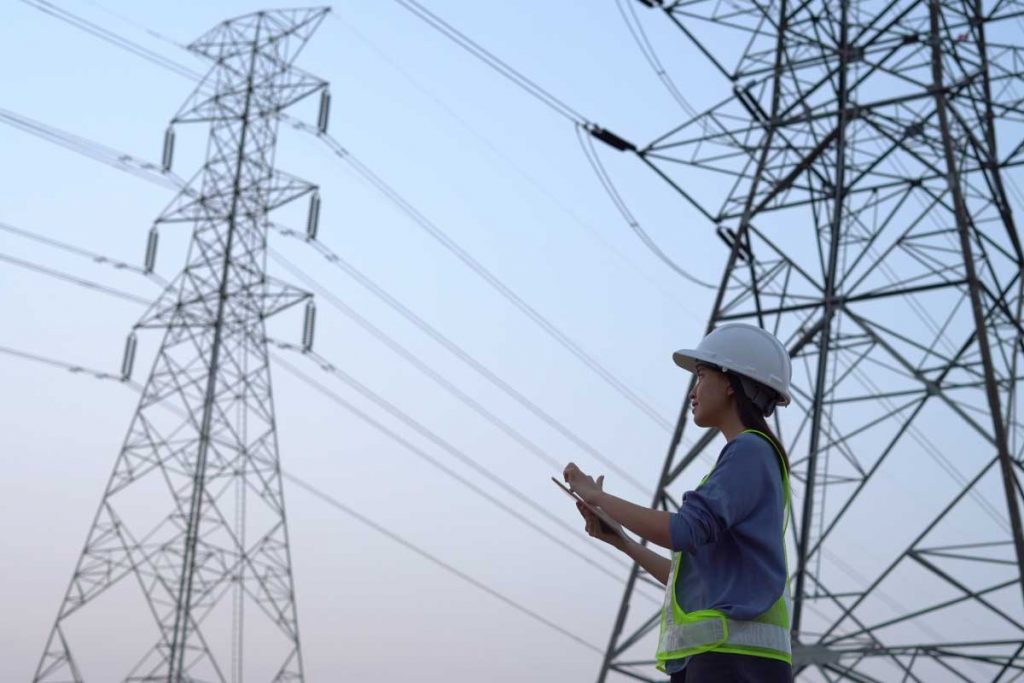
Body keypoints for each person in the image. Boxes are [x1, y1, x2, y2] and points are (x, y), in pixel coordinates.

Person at [564, 323, 794, 682]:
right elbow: (692, 578)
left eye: (701, 375)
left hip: (733, 664)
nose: (693, 391)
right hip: (726, 663)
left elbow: (681, 530)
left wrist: (600, 498)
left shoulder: (749, 452)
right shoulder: (746, 460)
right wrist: (622, 540)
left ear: (731, 383)